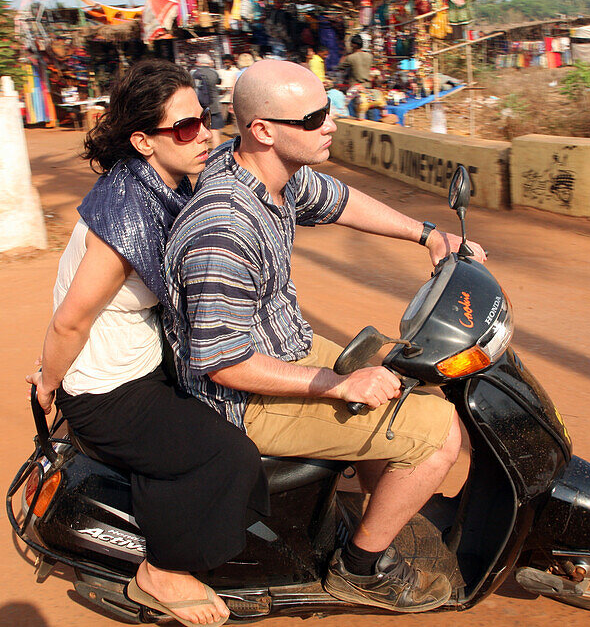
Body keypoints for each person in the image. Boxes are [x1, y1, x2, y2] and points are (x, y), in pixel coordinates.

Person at [164, 60, 487, 614]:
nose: (329, 125)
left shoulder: (269, 175)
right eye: (313, 117)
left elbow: (337, 199)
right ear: (263, 130)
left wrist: (429, 236)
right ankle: (360, 568)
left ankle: (374, 509)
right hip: (246, 397)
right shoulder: (223, 227)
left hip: (284, 345)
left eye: (329, 109)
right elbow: (223, 363)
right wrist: (338, 386)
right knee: (439, 435)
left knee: (418, 371)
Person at [28, 59, 267, 627]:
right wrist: (48, 383)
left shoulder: (164, 180)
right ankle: (160, 570)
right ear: (143, 141)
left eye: (205, 119)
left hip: (143, 359)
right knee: (231, 455)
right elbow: (69, 322)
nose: (204, 134)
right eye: (185, 128)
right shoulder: (124, 219)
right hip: (105, 388)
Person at [191, 53, 226, 148]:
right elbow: (218, 82)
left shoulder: (194, 73)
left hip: (199, 106)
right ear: (209, 62)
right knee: (215, 131)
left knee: (199, 130)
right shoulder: (213, 73)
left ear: (198, 62)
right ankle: (217, 151)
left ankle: (202, 150)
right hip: (214, 105)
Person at [217, 54, 239, 125]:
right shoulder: (220, 72)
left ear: (232, 62)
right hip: (223, 98)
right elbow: (218, 84)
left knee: (235, 118)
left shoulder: (236, 71)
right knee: (222, 117)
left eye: (227, 62)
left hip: (233, 98)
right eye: (224, 62)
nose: (226, 64)